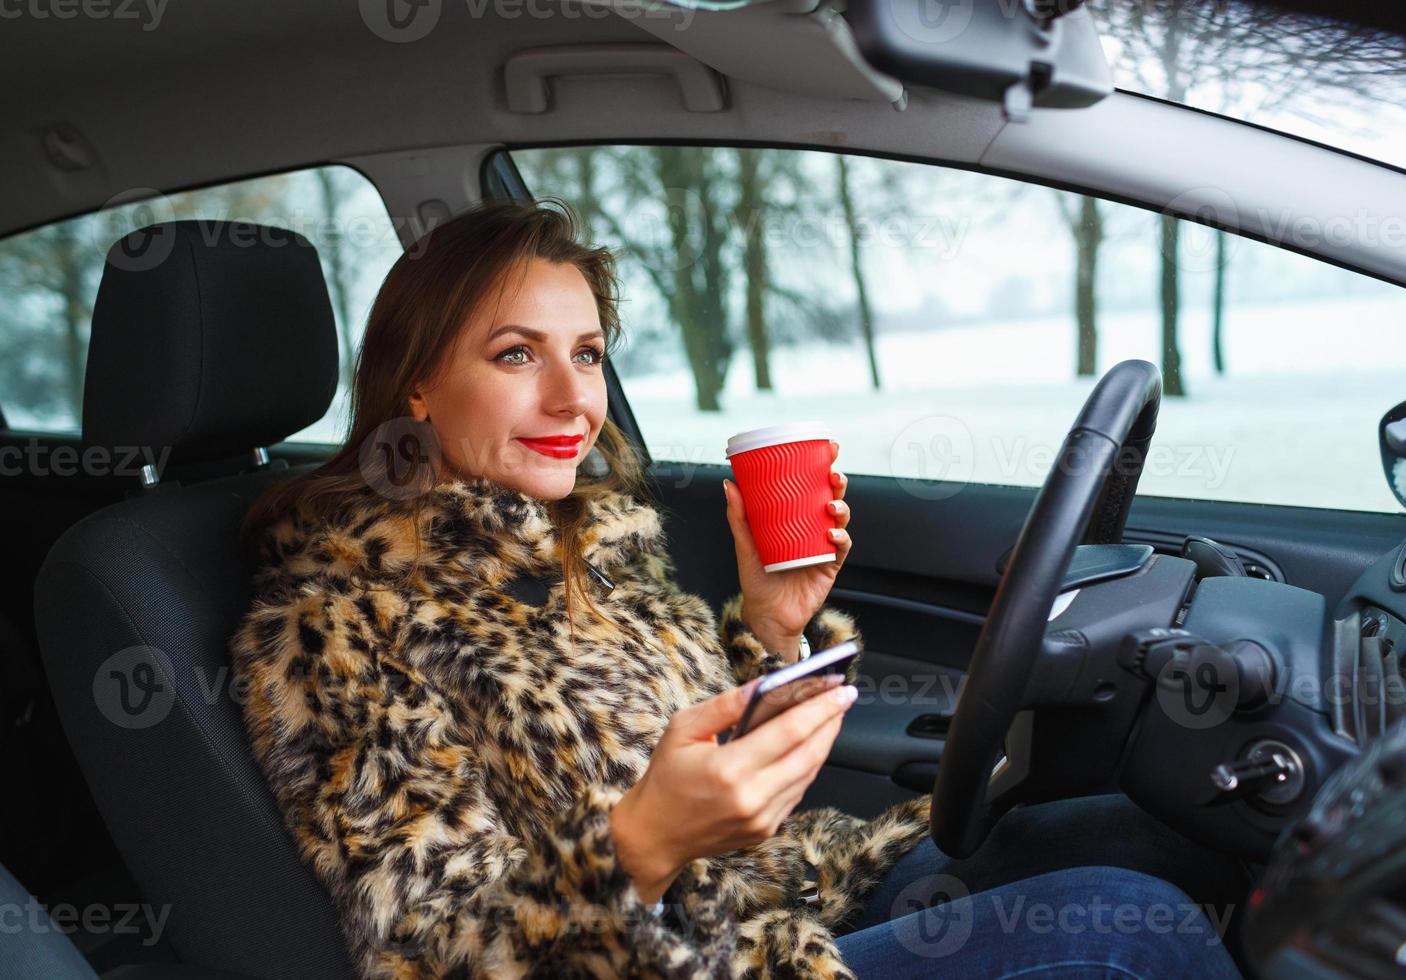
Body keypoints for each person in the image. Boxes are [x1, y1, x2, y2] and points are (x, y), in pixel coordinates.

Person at [231, 199, 1240, 979]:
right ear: (416, 384)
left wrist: (772, 630)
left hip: (777, 903)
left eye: (585, 354)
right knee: (1120, 927)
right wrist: (638, 844)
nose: (571, 399)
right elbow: (427, 950)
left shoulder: (586, 542)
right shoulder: (334, 622)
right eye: (513, 355)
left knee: (1156, 825)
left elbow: (709, 762)